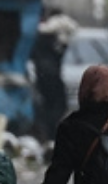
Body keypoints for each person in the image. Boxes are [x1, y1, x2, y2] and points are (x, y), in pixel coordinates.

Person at [31, 9, 77, 142]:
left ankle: (48, 133)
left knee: (49, 105)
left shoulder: (43, 34)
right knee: (57, 104)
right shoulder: (50, 34)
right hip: (50, 75)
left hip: (43, 75)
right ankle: (50, 134)